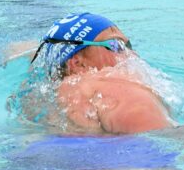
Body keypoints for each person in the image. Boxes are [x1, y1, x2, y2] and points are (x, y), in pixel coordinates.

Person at [10, 12, 173, 134]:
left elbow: (21, 49)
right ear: (77, 63)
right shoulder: (111, 88)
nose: (132, 55)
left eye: (128, 46)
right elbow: (164, 142)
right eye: (116, 45)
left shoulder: (38, 95)